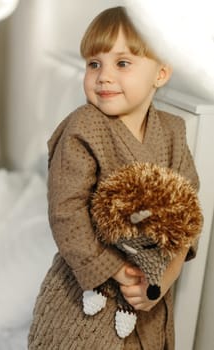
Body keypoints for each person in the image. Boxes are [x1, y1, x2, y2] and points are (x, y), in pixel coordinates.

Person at [28, 6, 200, 350]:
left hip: (149, 304)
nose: (103, 76)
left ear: (161, 73)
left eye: (122, 63)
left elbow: (187, 215)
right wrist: (114, 269)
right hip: (86, 299)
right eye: (94, 64)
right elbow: (66, 212)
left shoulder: (172, 132)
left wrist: (164, 279)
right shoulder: (83, 128)